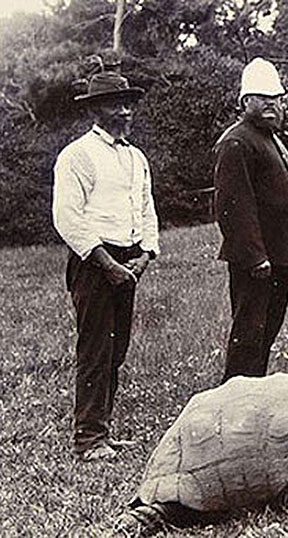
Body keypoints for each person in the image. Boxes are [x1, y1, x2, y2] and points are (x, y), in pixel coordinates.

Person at [52, 71, 159, 461]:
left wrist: (146, 254)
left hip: (128, 261)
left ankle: (103, 432)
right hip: (94, 262)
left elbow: (146, 208)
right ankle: (88, 438)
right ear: (96, 109)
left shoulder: (135, 157)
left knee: (116, 351)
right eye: (116, 103)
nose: (126, 110)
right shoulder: (77, 156)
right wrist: (106, 263)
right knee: (95, 350)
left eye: (129, 103)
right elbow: (67, 218)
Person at [213, 57, 288, 383]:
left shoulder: (269, 138)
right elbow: (233, 206)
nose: (272, 105)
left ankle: (252, 394)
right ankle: (234, 402)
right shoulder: (237, 141)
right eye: (263, 98)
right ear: (245, 102)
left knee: (265, 334)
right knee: (248, 335)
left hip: (280, 256)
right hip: (258, 261)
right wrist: (256, 257)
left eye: (277, 98)